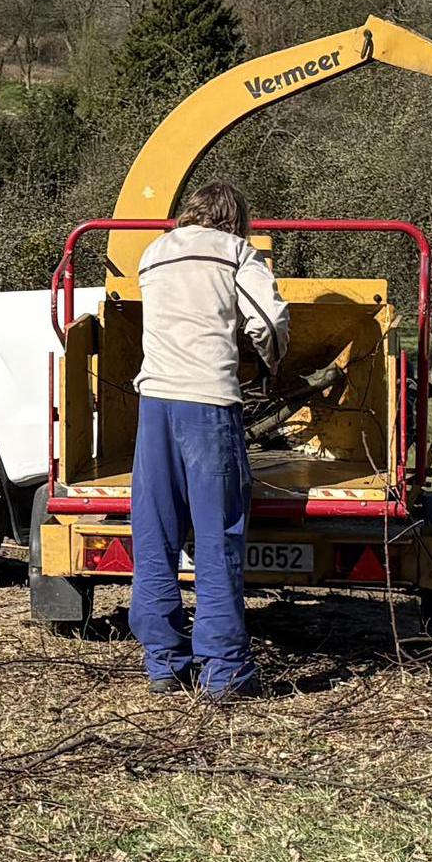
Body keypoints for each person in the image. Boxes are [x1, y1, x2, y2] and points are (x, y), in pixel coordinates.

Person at [129, 175, 287, 697]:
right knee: (217, 539)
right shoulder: (235, 252)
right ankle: (226, 672)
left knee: (156, 536)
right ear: (236, 220)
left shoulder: (153, 254)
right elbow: (267, 318)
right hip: (208, 406)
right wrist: (273, 361)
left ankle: (164, 664)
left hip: (154, 405)